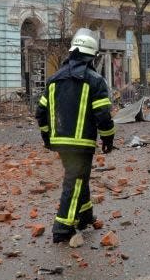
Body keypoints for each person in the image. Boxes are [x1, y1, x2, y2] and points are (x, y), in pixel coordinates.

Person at [36, 28, 116, 243]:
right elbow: (103, 116)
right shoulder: (95, 81)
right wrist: (108, 139)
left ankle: (85, 215)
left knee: (80, 178)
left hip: (59, 142)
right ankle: (62, 227)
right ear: (91, 57)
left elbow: (40, 114)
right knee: (75, 181)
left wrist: (47, 139)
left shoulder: (53, 80)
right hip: (81, 143)